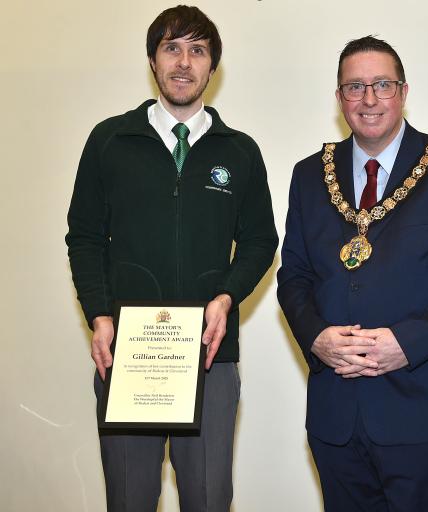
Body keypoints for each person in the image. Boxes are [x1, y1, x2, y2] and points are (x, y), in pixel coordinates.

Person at [277, 35, 428, 511]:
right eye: (354, 87)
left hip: (421, 407)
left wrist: (408, 342)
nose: (369, 99)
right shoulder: (308, 174)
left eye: (382, 85)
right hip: (335, 412)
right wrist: (316, 337)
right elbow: (293, 277)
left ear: (403, 91)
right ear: (339, 98)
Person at [65, 6, 278, 511]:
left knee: (207, 500)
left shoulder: (240, 152)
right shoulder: (109, 141)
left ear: (212, 67)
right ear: (152, 60)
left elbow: (260, 241)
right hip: (127, 354)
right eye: (172, 48)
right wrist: (98, 313)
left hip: (209, 357)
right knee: (129, 499)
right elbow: (85, 237)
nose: (184, 62)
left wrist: (227, 297)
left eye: (198, 51)